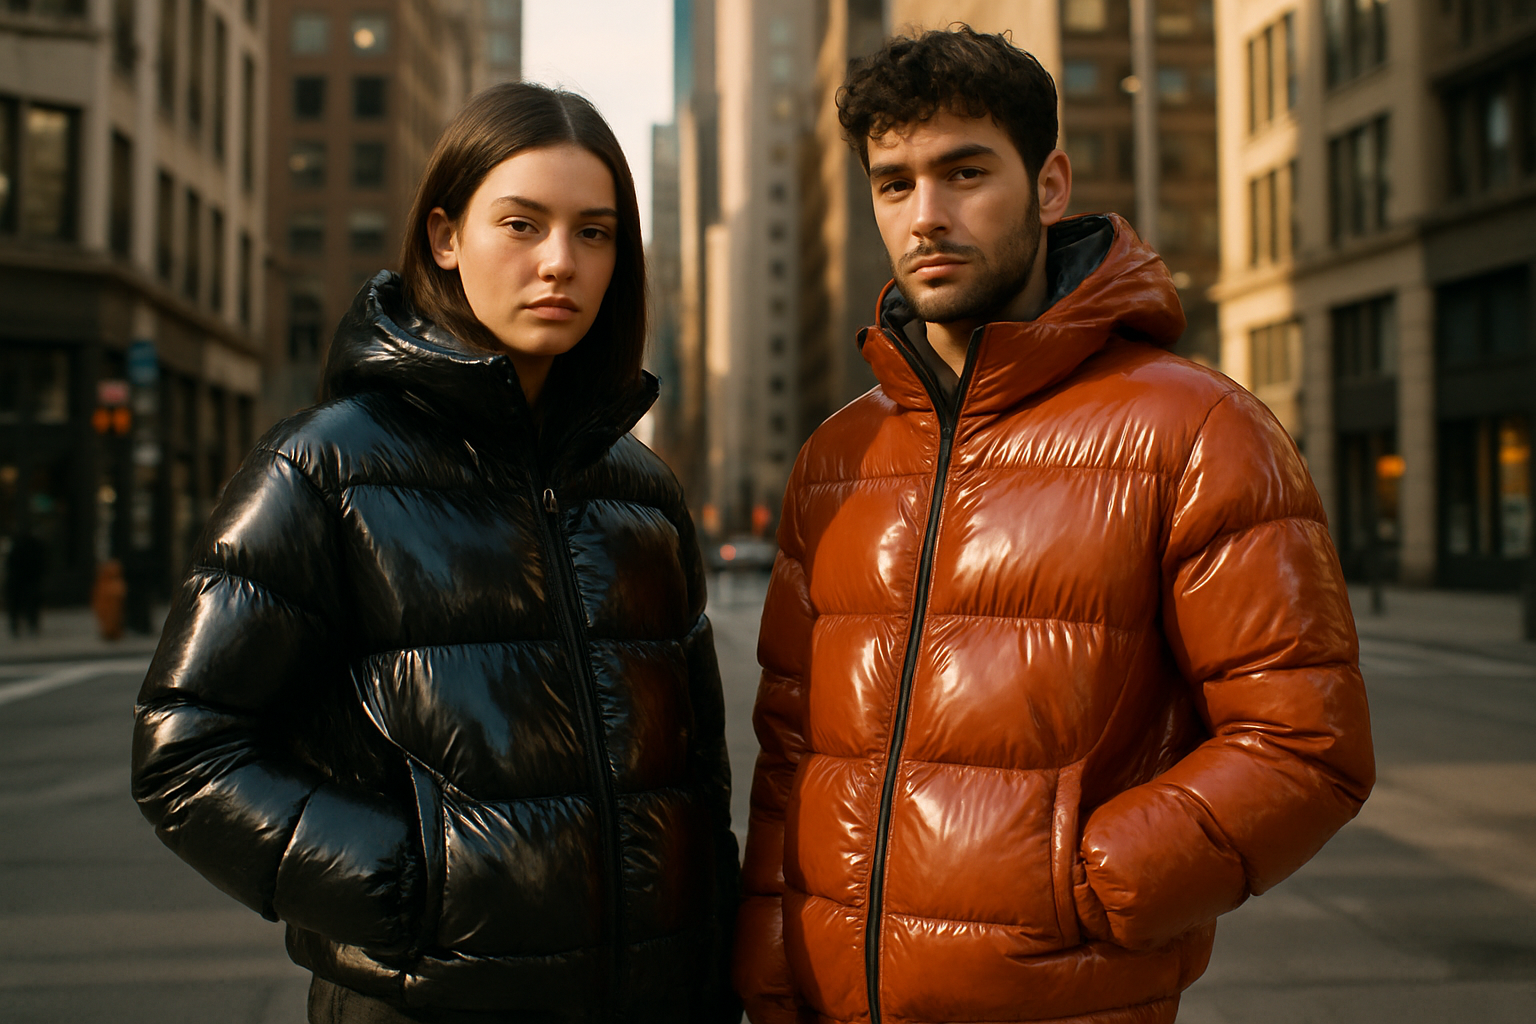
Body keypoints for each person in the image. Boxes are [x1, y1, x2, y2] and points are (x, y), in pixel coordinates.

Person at [734, 27, 1374, 1024]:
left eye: (965, 172)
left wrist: (1090, 881)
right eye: (894, 184)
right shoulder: (837, 458)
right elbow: (789, 755)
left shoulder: (1198, 428)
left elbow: (1307, 743)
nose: (927, 216)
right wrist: (771, 980)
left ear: (1049, 185)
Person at [132, 83, 738, 1024]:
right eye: (522, 224)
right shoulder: (325, 466)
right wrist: (412, 891)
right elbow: (186, 750)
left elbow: (696, 773)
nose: (559, 263)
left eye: (594, 233)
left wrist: (712, 970)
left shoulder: (641, 492)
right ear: (445, 238)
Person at [4, 531, 45, 637]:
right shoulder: (35, 549)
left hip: (17, 580)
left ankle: (16, 627)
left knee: (15, 606)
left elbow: (9, 564)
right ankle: (31, 625)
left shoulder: (16, 549)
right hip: (29, 580)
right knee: (31, 604)